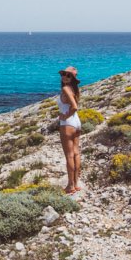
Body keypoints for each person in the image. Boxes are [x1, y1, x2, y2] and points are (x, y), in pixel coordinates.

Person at [57, 66, 82, 194]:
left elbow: (74, 106)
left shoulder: (66, 89)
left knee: (69, 155)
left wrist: (65, 116)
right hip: (77, 123)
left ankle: (70, 185)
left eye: (68, 75)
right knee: (76, 153)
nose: (64, 77)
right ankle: (76, 184)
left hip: (67, 123)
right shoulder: (74, 89)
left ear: (72, 78)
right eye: (63, 74)